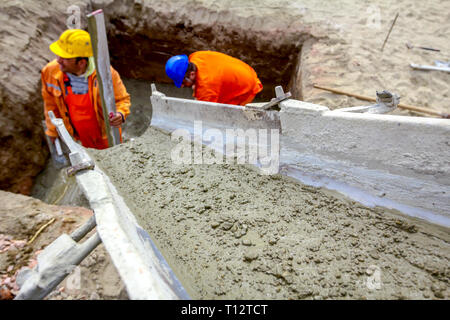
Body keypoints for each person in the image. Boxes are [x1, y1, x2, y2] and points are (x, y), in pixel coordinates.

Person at [41, 29, 131, 150]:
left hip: (105, 136)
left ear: (82, 63)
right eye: (59, 55)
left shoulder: (105, 74)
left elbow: (122, 100)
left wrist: (120, 114)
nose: (58, 60)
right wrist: (52, 130)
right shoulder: (50, 72)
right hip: (77, 137)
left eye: (65, 58)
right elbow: (50, 104)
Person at [165, 51, 263, 106]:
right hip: (246, 72)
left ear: (192, 74)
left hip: (247, 88)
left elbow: (207, 113)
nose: (182, 86)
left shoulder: (206, 88)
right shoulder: (196, 56)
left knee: (225, 113)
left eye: (183, 82)